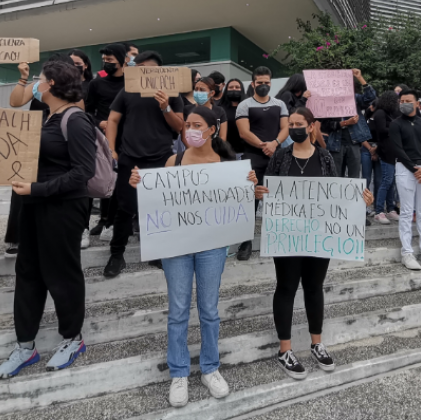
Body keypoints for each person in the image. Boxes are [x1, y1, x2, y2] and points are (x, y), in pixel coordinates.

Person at [130, 106, 257, 407]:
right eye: (187, 124)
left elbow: (239, 204)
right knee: (178, 310)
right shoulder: (173, 161)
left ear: (213, 129)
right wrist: (139, 185)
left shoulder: (229, 163)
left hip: (213, 246)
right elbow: (158, 200)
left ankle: (210, 368)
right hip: (176, 246)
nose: (190, 130)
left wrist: (250, 186)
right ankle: (179, 372)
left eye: (196, 124)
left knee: (209, 309)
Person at [0, 61, 97, 378]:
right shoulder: (47, 118)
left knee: (61, 273)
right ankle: (26, 346)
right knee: (28, 273)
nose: (35, 85)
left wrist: (38, 188)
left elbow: (84, 172)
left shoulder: (75, 120)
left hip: (63, 207)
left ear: (50, 84)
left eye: (39, 80)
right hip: (34, 206)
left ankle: (72, 338)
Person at [255, 108, 373, 380]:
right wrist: (260, 192)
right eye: (291, 124)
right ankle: (285, 350)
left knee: (314, 287)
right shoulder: (280, 156)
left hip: (318, 234)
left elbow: (336, 194)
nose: (295, 127)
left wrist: (360, 200)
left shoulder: (325, 157)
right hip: (286, 234)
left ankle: (316, 343)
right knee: (285, 287)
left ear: (311, 127)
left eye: (300, 124)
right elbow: (268, 189)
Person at [104, 51, 184, 277]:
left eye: (145, 67)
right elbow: (113, 119)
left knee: (158, 208)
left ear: (159, 70)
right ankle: (116, 255)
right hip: (130, 159)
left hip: (161, 159)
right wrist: (111, 149)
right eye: (138, 67)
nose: (140, 71)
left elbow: (179, 127)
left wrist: (165, 106)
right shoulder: (127, 90)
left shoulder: (172, 92)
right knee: (124, 208)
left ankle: (157, 253)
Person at [5, 54, 85, 255]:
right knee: (22, 191)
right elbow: (15, 102)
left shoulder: (73, 107)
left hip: (55, 148)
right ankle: (17, 237)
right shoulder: (38, 87)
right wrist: (23, 78)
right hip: (33, 141)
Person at [235, 66, 288, 261]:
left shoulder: (280, 104)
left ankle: (277, 237)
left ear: (270, 83)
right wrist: (263, 145)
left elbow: (285, 128)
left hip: (276, 154)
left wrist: (274, 144)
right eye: (260, 83)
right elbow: (243, 132)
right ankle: (246, 241)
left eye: (267, 83)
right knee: (251, 199)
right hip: (253, 156)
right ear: (253, 83)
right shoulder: (244, 105)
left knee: (277, 196)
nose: (263, 86)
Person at [389, 89, 421, 270]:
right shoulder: (395, 124)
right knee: (407, 212)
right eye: (401, 101)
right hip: (405, 169)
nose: (404, 103)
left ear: (417, 103)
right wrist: (414, 170)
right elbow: (397, 149)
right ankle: (407, 253)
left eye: (408, 100)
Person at [85, 44, 128, 238]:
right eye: (104, 61)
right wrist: (100, 122)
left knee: (124, 182)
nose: (106, 64)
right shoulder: (97, 84)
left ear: (121, 60)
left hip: (128, 138)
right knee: (104, 179)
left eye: (110, 60)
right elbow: (87, 111)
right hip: (103, 139)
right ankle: (103, 220)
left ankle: (117, 221)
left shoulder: (132, 83)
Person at [321, 69, 375, 179]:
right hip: (336, 144)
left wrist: (360, 78)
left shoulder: (354, 98)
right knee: (335, 177)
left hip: (353, 143)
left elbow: (370, 97)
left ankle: (353, 196)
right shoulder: (328, 102)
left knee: (354, 177)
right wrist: (345, 123)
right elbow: (325, 125)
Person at [370, 91, 400, 225]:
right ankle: (379, 211)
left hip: (392, 151)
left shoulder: (390, 113)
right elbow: (381, 130)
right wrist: (397, 129)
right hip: (385, 150)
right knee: (386, 180)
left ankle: (391, 208)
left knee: (391, 181)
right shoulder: (380, 113)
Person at [219, 78, 246, 158]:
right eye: (231, 87)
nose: (234, 89)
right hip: (226, 152)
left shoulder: (248, 107)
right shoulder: (220, 109)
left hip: (245, 151)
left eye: (237, 87)